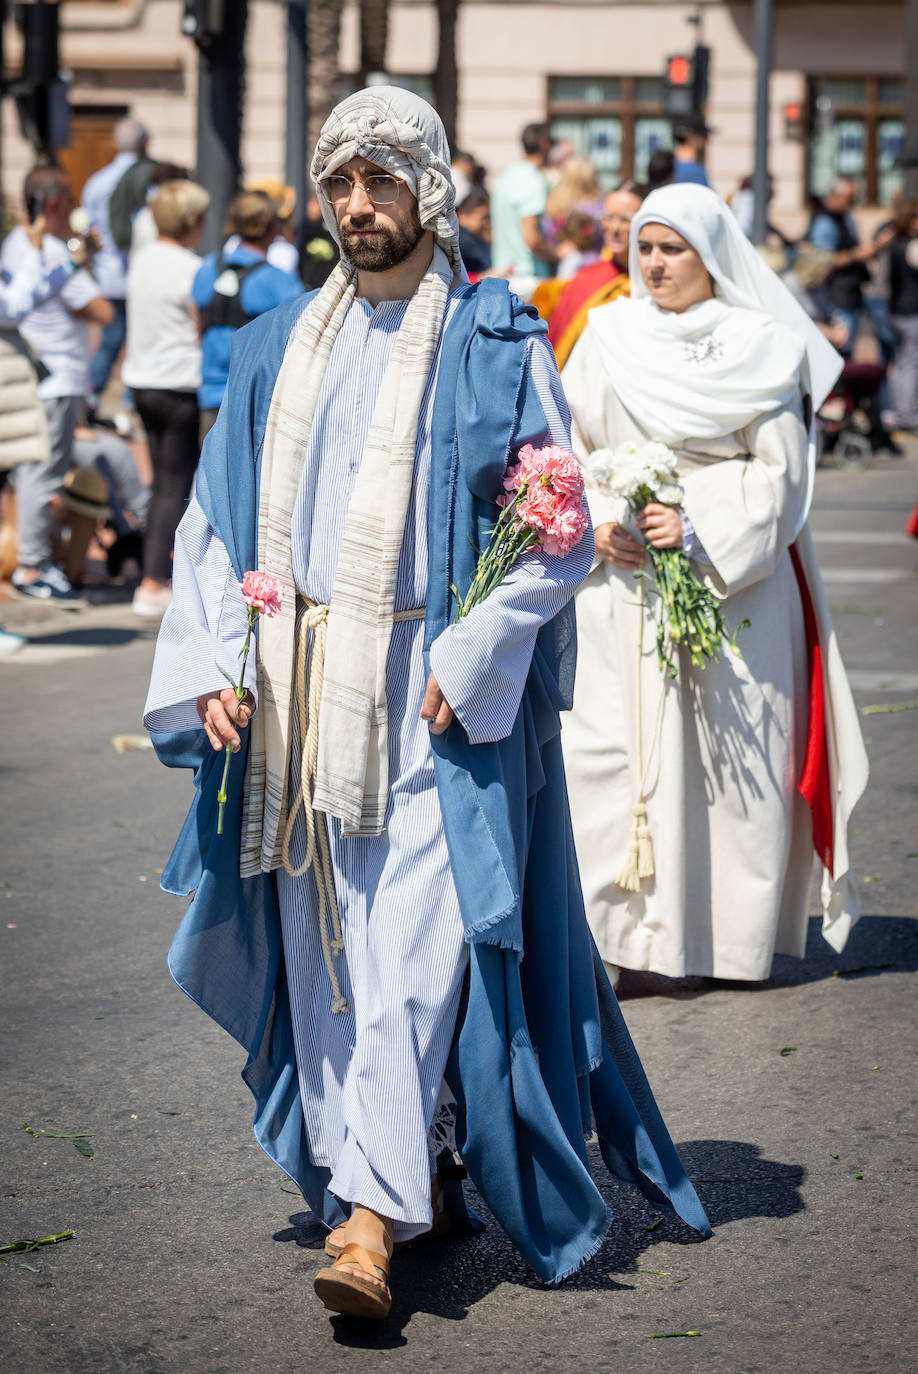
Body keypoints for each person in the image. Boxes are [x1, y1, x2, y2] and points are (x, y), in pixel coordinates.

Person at [142, 86, 710, 1323]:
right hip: (298, 693)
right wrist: (213, 663)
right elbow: (212, 527)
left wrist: (477, 648)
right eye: (340, 181)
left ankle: (366, 1224)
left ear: (432, 190)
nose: (359, 206)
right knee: (327, 964)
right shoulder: (279, 341)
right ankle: (410, 1179)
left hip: (432, 705)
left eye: (383, 181)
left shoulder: (496, 340)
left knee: (405, 959)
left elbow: (553, 533)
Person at [560, 183, 869, 988]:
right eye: (646, 248)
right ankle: (617, 943)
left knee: (729, 765)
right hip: (620, 583)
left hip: (733, 590)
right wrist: (599, 518)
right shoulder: (606, 333)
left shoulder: (762, 344)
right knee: (608, 760)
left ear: (712, 255)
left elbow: (781, 476)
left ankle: (718, 943)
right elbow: (569, 445)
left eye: (673, 249)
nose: (655, 264)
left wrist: (693, 519)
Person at [1, 166, 113, 601]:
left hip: (47, 378)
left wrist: (75, 262)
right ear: (51, 204)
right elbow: (98, 309)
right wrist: (70, 265)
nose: (74, 209)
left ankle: (34, 562)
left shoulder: (30, 247)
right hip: (52, 379)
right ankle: (31, 566)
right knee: (40, 473)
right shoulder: (33, 248)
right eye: (69, 200)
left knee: (36, 472)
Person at [122, 179, 209, 617]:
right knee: (174, 485)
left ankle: (152, 573)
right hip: (178, 382)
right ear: (193, 222)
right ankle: (155, 579)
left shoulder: (140, 262)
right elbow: (200, 327)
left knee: (162, 483)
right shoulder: (191, 267)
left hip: (142, 380)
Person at [192, 191, 302, 439]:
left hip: (209, 396)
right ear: (273, 227)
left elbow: (197, 326)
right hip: (257, 402)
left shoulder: (206, 269)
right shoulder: (281, 283)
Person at [80, 116, 151, 407]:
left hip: (109, 274)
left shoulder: (96, 181)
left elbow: (88, 228)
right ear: (145, 143)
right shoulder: (148, 179)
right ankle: (130, 403)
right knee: (138, 342)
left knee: (110, 339)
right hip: (140, 273)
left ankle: (92, 395)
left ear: (114, 144)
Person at [547, 180, 645, 369]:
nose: (614, 228)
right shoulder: (585, 278)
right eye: (608, 217)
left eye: (625, 219)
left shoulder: (655, 283)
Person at [805, 178, 874, 355]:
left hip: (848, 295)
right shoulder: (825, 223)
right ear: (835, 195)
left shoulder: (846, 219)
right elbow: (821, 264)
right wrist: (856, 255)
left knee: (845, 353)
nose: (852, 203)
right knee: (838, 353)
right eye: (850, 198)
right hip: (835, 299)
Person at [490, 122, 556, 279]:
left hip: (505, 273)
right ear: (544, 144)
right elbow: (531, 238)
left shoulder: (507, 175)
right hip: (527, 276)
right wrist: (556, 255)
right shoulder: (533, 179)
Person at [886, 198, 918, 429]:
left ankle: (900, 410)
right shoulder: (911, 246)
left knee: (902, 363)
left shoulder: (895, 245)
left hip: (898, 309)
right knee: (910, 364)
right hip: (911, 311)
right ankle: (905, 414)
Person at [455, 185, 492, 277]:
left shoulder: (473, 236)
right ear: (463, 216)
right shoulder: (463, 240)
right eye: (483, 218)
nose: (487, 223)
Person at [672, 116, 710, 187]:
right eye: (705, 135)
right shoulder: (694, 171)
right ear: (692, 136)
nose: (707, 141)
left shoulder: (668, 166)